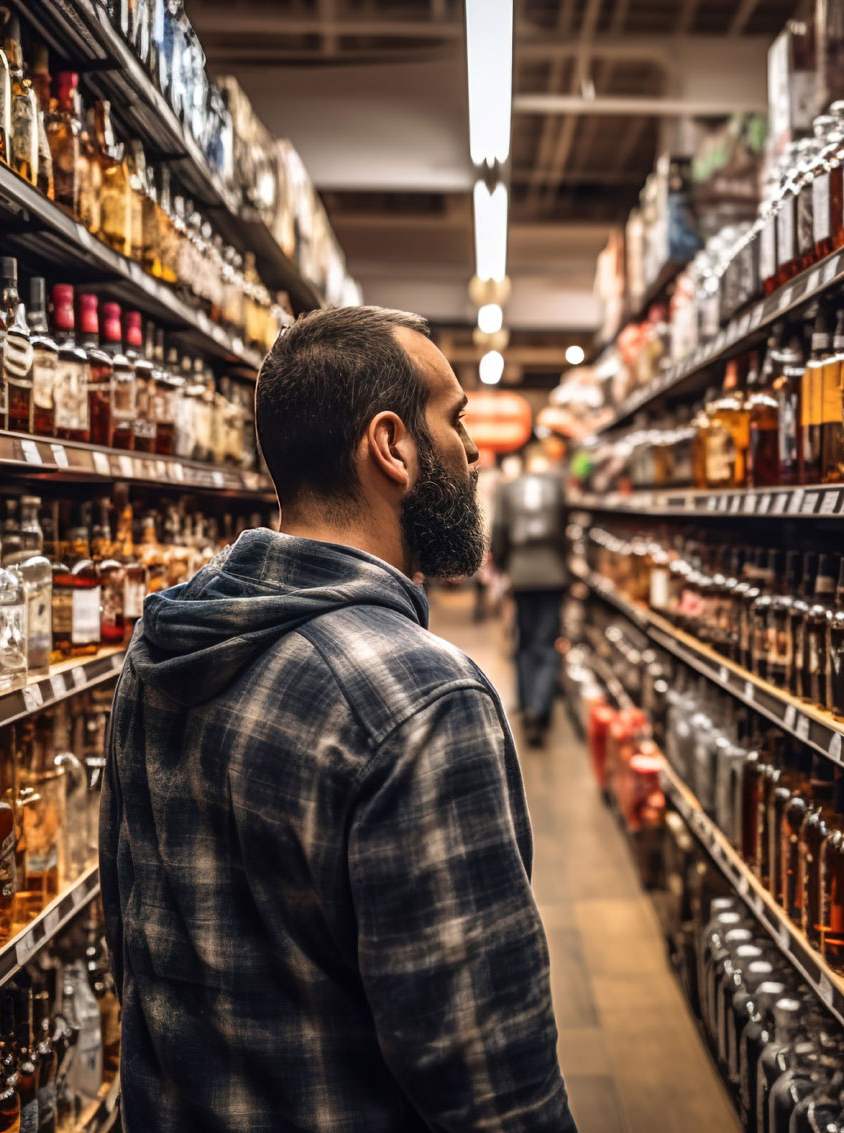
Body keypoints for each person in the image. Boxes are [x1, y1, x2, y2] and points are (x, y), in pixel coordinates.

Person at [100, 305, 576, 1132]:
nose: (474, 449)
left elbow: (130, 947)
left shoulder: (158, 650)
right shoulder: (422, 701)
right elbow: (496, 1088)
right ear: (390, 446)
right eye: (455, 419)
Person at [491, 440, 570, 747]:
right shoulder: (558, 486)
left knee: (524, 642)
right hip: (552, 572)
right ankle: (541, 708)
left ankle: (526, 705)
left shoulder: (509, 489)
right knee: (547, 643)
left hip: (521, 573)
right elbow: (565, 527)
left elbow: (499, 530)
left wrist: (502, 565)